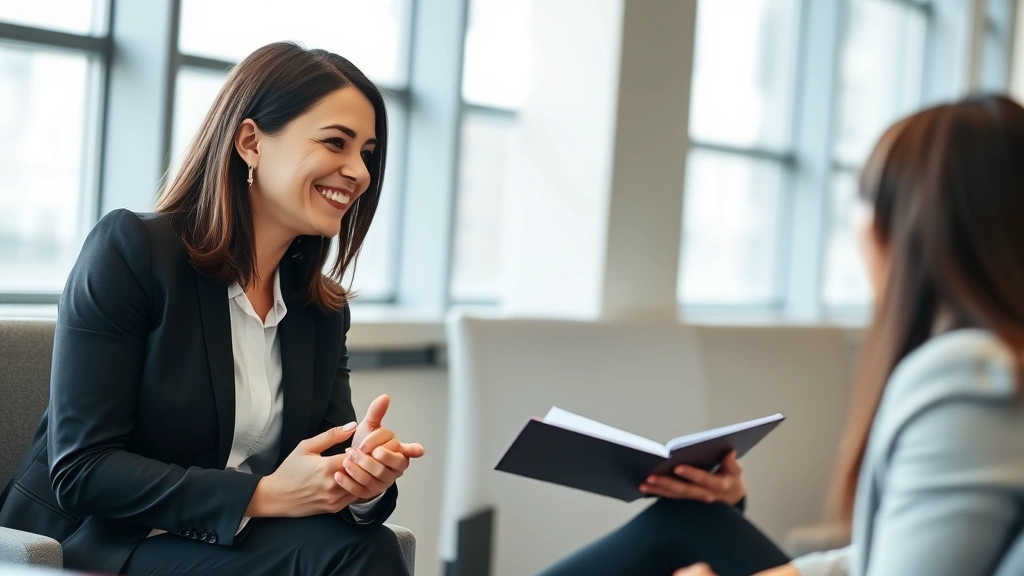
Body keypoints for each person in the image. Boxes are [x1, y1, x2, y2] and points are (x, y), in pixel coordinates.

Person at [542, 94, 1024, 576]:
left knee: (686, 528)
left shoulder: (973, 379)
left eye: (866, 199)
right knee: (692, 516)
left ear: (912, 223)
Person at [0, 42, 424, 575]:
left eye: (366, 152)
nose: (358, 171)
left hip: (223, 543)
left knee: (369, 547)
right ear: (250, 142)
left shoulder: (319, 310)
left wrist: (360, 479)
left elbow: (324, 464)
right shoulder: (132, 252)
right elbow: (83, 469)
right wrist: (262, 495)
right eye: (335, 143)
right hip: (99, 542)